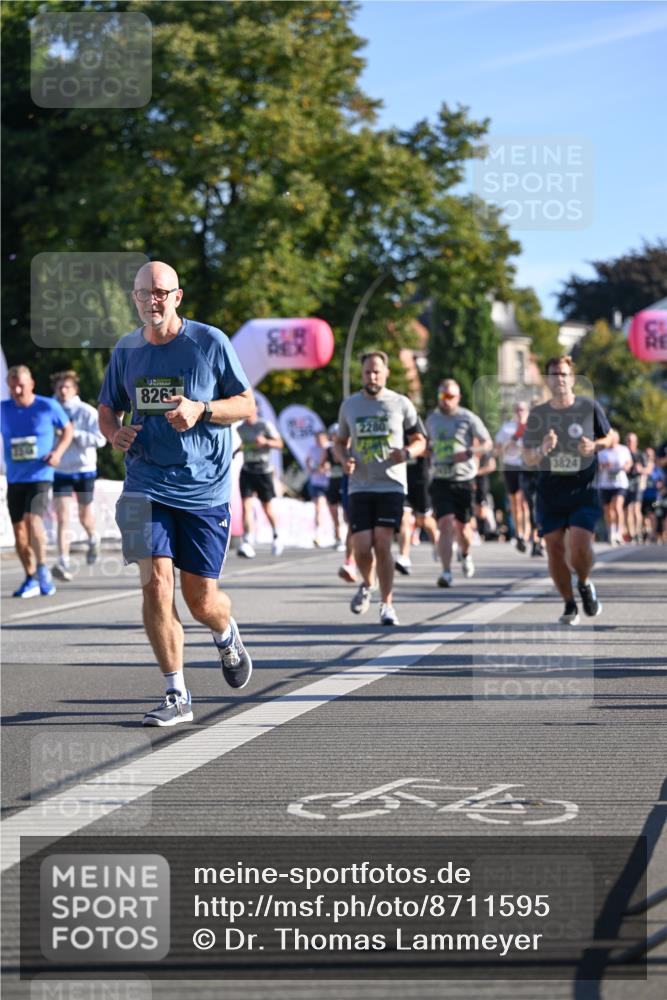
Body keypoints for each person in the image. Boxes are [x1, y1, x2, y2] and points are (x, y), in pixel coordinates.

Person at [98, 260, 255, 726]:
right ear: (135, 299)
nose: (154, 300)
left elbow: (246, 404)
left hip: (205, 488)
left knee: (201, 600)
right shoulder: (127, 350)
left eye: (162, 292)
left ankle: (226, 635)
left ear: (177, 297)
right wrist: (114, 434)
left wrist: (202, 409)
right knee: (156, 584)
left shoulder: (209, 342)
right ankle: (176, 693)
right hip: (146, 482)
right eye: (145, 293)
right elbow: (107, 407)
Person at [335, 350, 426, 625]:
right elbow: (339, 442)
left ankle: (387, 605)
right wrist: (343, 460)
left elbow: (421, 440)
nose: (372, 376)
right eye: (367, 372)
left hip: (392, 483)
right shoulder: (349, 406)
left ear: (386, 373)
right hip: (360, 485)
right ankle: (367, 583)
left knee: (383, 542)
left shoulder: (401, 403)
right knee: (362, 547)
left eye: (377, 372)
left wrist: (408, 453)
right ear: (361, 374)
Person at [522, 355, 613, 625]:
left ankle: (584, 583)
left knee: (580, 546)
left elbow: (611, 437)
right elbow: (527, 457)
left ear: (571, 378)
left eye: (563, 374)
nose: (559, 379)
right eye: (553, 375)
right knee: (554, 550)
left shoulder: (589, 407)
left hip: (582, 490)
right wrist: (542, 449)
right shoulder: (539, 415)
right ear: (548, 380)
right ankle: (569, 603)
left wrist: (594, 446)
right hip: (550, 492)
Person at [1, 365, 73, 598]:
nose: (17, 389)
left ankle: (43, 569)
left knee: (33, 521)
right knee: (19, 534)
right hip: (15, 478)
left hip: (40, 475)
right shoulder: (3, 409)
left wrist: (58, 452)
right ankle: (31, 577)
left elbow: (68, 430)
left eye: (21, 384)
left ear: (31, 383)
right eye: (13, 385)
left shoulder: (47, 406)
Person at [426, 379, 492, 588]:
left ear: (458, 398)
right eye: (442, 396)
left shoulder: (468, 418)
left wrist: (470, 452)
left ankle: (465, 553)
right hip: (441, 479)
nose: (445, 401)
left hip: (463, 479)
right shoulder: (432, 419)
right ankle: (446, 572)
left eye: (450, 397)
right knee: (445, 524)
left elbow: (488, 443)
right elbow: (426, 444)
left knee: (463, 529)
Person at [50, 370, 106, 580]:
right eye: (59, 387)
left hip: (84, 470)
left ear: (75, 390)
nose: (63, 391)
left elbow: (100, 440)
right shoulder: (50, 410)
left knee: (84, 517)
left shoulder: (87, 411)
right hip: (61, 470)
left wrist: (73, 434)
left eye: (67, 387)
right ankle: (63, 560)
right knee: (62, 517)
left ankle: (93, 537)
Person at [236, 410, 284, 558]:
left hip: (263, 471)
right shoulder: (240, 428)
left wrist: (266, 442)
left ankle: (277, 535)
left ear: (255, 411)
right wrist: (236, 451)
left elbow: (280, 444)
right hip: (247, 469)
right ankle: (247, 541)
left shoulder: (265, 425)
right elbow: (245, 444)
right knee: (246, 505)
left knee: (267, 507)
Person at [395, 417, 439, 576]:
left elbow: (429, 449)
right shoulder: (393, 429)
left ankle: (437, 542)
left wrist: (409, 450)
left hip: (420, 480)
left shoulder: (418, 427)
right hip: (401, 478)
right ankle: (404, 557)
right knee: (403, 518)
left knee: (424, 520)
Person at [495, 401, 531, 552]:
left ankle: (528, 533)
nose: (520, 412)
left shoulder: (532, 427)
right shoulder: (507, 428)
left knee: (524, 503)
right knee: (514, 503)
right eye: (517, 409)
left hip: (526, 466)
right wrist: (508, 445)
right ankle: (519, 534)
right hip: (510, 466)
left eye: (522, 409)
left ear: (527, 411)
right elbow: (496, 449)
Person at [597, 429, 633, 545]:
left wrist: (625, 466)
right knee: (608, 510)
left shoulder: (623, 449)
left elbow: (629, 463)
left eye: (614, 438)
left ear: (617, 439)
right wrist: (604, 465)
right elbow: (597, 466)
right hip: (605, 484)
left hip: (620, 483)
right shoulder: (602, 451)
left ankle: (619, 532)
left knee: (617, 506)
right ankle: (611, 531)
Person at [624, 432, 652, 543]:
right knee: (628, 509)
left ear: (636, 442)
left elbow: (648, 470)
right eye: (628, 441)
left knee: (636, 509)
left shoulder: (641, 455)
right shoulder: (624, 453)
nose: (630, 443)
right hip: (626, 484)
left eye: (632, 441)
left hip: (637, 484)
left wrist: (641, 470)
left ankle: (638, 531)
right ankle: (632, 533)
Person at [306, 429, 331, 547]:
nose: (317, 441)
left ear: (325, 438)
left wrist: (326, 468)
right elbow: (307, 460)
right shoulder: (312, 449)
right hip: (316, 483)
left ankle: (337, 532)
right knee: (318, 507)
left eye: (320, 439)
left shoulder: (330, 448)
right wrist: (311, 469)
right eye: (316, 439)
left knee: (333, 509)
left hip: (330, 482)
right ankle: (318, 534)